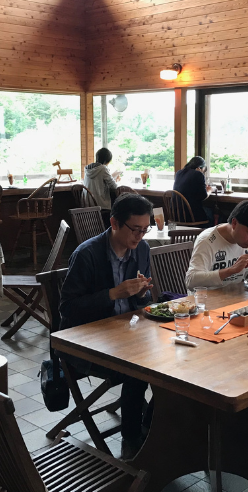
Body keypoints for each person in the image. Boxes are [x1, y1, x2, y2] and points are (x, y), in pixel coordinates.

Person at [59, 193, 154, 459]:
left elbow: (140, 299)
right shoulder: (87, 254)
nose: (140, 237)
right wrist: (113, 294)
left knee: (173, 358)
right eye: (135, 229)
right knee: (139, 370)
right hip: (89, 341)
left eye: (145, 230)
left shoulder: (142, 250)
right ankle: (131, 440)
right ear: (114, 222)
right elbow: (67, 308)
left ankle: (151, 427)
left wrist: (141, 293)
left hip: (127, 333)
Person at [185, 200, 248, 290]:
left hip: (235, 298)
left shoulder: (242, 241)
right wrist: (231, 270)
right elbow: (191, 281)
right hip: (208, 301)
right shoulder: (207, 241)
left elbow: (241, 273)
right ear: (234, 223)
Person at [173, 156, 213, 226]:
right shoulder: (198, 174)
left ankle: (176, 233)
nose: (203, 172)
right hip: (190, 217)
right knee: (213, 214)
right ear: (200, 168)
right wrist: (209, 190)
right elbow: (203, 196)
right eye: (204, 170)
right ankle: (202, 236)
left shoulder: (179, 173)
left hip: (175, 216)